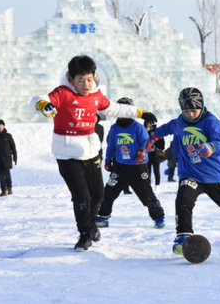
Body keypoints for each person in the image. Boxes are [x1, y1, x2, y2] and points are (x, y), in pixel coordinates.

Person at [30, 55, 157, 252]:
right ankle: (84, 236)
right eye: (81, 80)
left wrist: (141, 113)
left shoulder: (96, 96)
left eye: (89, 79)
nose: (86, 84)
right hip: (67, 153)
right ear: (71, 79)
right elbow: (40, 99)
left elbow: (115, 108)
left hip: (90, 151)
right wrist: (42, 105)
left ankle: (91, 226)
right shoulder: (63, 93)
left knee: (98, 195)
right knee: (82, 197)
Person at [135, 87, 220, 256]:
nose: (190, 114)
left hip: (212, 175)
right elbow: (163, 130)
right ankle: (183, 235)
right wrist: (150, 141)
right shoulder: (179, 122)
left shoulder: (211, 121)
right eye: (186, 111)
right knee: (183, 201)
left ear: (201, 106)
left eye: (194, 110)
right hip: (189, 173)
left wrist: (209, 147)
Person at [96, 97, 165, 229]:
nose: (123, 114)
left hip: (137, 168)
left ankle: (158, 217)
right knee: (108, 193)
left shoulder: (138, 128)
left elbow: (147, 143)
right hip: (120, 168)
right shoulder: (115, 128)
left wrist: (142, 152)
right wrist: (107, 159)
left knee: (146, 195)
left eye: (127, 111)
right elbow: (111, 146)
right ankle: (103, 217)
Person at [145, 120, 165, 193]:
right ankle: (148, 186)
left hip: (156, 154)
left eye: (150, 124)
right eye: (148, 124)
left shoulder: (157, 132)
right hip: (147, 154)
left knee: (156, 170)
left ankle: (157, 186)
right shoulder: (144, 132)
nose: (149, 125)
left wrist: (157, 147)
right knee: (148, 171)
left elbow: (162, 142)